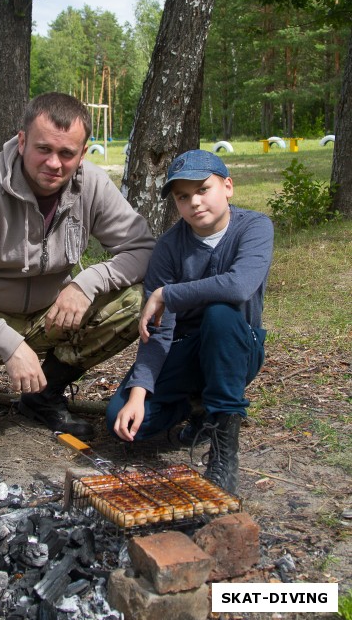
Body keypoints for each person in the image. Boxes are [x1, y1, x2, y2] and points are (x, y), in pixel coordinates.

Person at [0, 92, 154, 447]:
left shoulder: (93, 185)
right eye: (43, 149)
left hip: (52, 314)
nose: (54, 163)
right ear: (22, 142)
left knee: (137, 301)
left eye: (67, 153)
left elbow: (144, 249)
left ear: (83, 154)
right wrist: (7, 343)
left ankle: (45, 394)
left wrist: (88, 283)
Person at [106, 149, 274, 494]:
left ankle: (224, 444)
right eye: (183, 196)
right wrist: (138, 395)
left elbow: (239, 285)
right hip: (185, 353)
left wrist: (168, 294)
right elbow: (160, 330)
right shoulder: (168, 246)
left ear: (227, 186)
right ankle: (195, 406)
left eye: (203, 189)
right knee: (120, 419)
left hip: (237, 348)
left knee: (220, 313)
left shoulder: (255, 227)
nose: (194, 202)